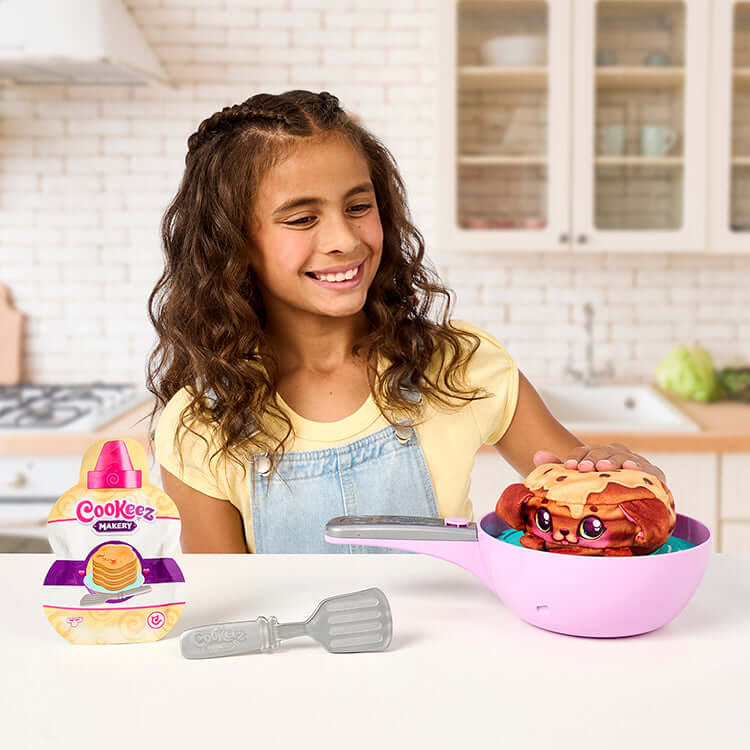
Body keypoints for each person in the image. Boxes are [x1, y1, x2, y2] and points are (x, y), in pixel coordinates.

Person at [147, 89, 665, 554]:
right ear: (233, 242)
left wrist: (622, 480)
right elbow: (231, 615)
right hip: (293, 662)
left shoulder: (460, 367)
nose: (345, 240)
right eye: (302, 218)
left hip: (445, 659)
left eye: (358, 206)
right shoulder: (201, 424)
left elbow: (592, 515)